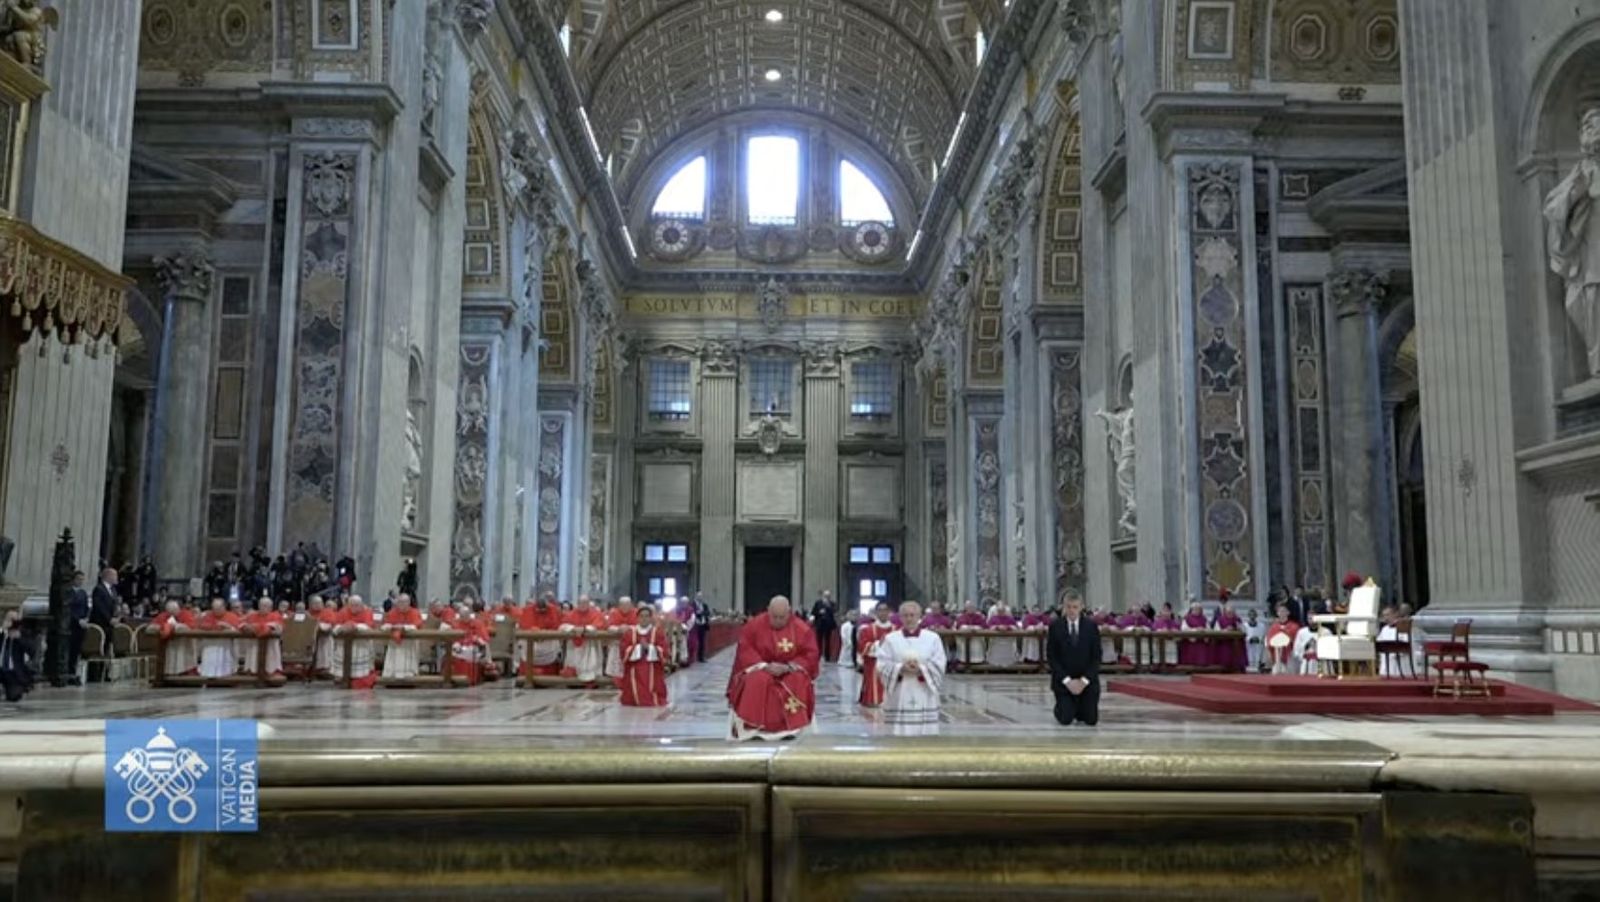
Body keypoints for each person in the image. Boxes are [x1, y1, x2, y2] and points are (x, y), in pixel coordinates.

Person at [726, 596, 820, 741]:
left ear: (789, 613)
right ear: (768, 610)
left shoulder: (802, 629)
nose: (777, 620)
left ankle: (793, 729)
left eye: (782, 617)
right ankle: (754, 729)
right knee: (757, 680)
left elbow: (810, 655)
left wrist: (788, 667)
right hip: (761, 667)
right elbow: (745, 649)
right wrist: (764, 666)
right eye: (774, 616)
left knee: (798, 680)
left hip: (789, 669)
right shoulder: (754, 626)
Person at [876, 601, 947, 736]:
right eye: (905, 615)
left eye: (912, 615)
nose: (909, 619)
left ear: (919, 616)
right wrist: (900, 668)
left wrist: (921, 669)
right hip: (900, 690)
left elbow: (939, 662)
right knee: (898, 732)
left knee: (924, 732)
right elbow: (882, 663)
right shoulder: (891, 639)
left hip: (923, 689)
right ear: (900, 617)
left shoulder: (933, 638)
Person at [1046, 592, 1100, 726]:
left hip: (1086, 682)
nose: (1071, 610)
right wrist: (1067, 681)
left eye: (1075, 607)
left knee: (1090, 719)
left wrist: (1084, 681)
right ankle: (1063, 706)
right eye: (1068, 607)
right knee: (1065, 719)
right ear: (1063, 607)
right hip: (1064, 681)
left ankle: (1080, 707)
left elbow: (1096, 657)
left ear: (1081, 607)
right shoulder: (1055, 627)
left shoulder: (1091, 627)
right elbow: (1052, 657)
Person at [619, 603, 671, 707]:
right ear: (637, 617)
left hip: (652, 666)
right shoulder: (630, 633)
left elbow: (664, 650)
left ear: (651, 618)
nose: (644, 619)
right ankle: (634, 698)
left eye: (647, 616)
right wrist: (638, 648)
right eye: (641, 616)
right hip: (634, 665)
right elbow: (623, 650)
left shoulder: (657, 633)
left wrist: (649, 648)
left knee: (652, 682)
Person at [856, 602, 896, 708]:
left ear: (889, 612)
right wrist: (879, 644)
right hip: (874, 663)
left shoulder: (896, 629)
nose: (883, 613)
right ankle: (874, 699)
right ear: (876, 613)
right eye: (880, 610)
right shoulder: (868, 629)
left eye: (885, 610)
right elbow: (862, 646)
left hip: (892, 663)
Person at [335, 595, 379, 688]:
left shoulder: (367, 612)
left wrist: (355, 626)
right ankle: (344, 678)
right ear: (348, 605)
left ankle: (359, 679)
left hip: (361, 645)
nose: (354, 607)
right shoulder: (343, 612)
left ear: (361, 604)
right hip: (345, 645)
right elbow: (335, 627)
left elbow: (369, 626)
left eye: (357, 605)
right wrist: (342, 628)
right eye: (352, 605)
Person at [560, 595, 606, 682]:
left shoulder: (596, 613)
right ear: (577, 603)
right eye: (581, 603)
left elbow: (599, 625)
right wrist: (573, 628)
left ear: (588, 603)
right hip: (574, 647)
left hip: (590, 645)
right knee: (574, 662)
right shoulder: (571, 614)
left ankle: (591, 682)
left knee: (590, 664)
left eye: (585, 603)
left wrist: (584, 628)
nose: (583, 605)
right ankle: (573, 682)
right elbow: (562, 625)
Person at [517, 593, 565, 677]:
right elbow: (524, 625)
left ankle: (550, 673)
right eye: (539, 609)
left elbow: (556, 625)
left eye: (544, 609)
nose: (542, 612)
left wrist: (545, 634)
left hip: (548, 640)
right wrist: (534, 632)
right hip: (531, 640)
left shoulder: (553, 610)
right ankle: (527, 674)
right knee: (523, 645)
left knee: (555, 645)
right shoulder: (527, 611)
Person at [381, 593, 424, 680]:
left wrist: (403, 627)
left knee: (408, 664)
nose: (402, 604)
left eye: (405, 602)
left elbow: (417, 625)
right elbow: (385, 624)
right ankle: (391, 678)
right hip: (395, 643)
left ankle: (410, 678)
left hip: (409, 643)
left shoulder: (414, 612)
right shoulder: (393, 612)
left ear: (409, 602)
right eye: (400, 602)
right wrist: (391, 627)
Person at [240, 597, 284, 680]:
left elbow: (276, 626)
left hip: (270, 645)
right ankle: (253, 673)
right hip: (254, 643)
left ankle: (271, 673)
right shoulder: (252, 615)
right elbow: (242, 624)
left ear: (271, 607)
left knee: (270, 660)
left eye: (265, 606)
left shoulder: (275, 616)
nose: (262, 607)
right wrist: (247, 628)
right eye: (261, 605)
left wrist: (257, 627)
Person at [152, 600, 197, 677]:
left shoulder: (186, 614)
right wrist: (162, 627)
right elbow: (151, 627)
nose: (172, 613)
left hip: (184, 644)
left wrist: (179, 626)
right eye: (170, 611)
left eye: (174, 611)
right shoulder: (163, 615)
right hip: (168, 644)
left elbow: (192, 627)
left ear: (179, 609)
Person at [197, 598, 239, 679]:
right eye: (214, 608)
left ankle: (226, 678)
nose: (216, 611)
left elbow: (236, 629)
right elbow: (200, 626)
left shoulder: (232, 616)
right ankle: (207, 679)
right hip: (209, 645)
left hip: (225, 645)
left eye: (219, 608)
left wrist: (228, 627)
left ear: (224, 607)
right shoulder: (207, 616)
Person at [603, 596, 637, 683]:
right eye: (623, 605)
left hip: (632, 644)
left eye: (627, 604)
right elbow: (609, 626)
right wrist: (618, 628)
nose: (625, 607)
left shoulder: (635, 613)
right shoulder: (614, 613)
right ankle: (614, 681)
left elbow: (640, 626)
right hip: (616, 643)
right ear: (619, 605)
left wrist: (628, 628)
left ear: (630, 605)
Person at [0, 612, 33, 702]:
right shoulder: (1, 633)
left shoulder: (23, 634)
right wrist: (3, 630)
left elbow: (31, 651)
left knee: (13, 696)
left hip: (14, 673)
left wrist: (18, 638)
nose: (12, 624)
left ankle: (15, 689)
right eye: (10, 620)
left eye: (15, 621)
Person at [1211, 594, 1246, 672]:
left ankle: (1238, 667)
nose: (1230, 613)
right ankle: (1223, 668)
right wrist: (1225, 630)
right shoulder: (1220, 620)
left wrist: (1235, 628)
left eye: (1232, 612)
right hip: (1224, 642)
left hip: (1235, 643)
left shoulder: (1237, 619)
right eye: (1228, 612)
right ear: (1225, 612)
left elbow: (1243, 629)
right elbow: (1216, 630)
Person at [90, 567, 119, 658]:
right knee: (97, 650)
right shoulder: (99, 589)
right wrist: (109, 619)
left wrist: (116, 616)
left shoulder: (113, 590)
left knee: (107, 650)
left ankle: (105, 671)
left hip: (110, 626)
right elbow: (99, 607)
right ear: (108, 576)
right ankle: (95, 671)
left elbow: (114, 605)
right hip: (100, 623)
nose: (116, 578)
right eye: (115, 575)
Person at [66, 570, 89, 683]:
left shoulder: (83, 593)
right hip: (71, 624)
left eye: (82, 579)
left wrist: (85, 618)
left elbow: (86, 608)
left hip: (81, 625)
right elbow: (68, 609)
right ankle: (68, 673)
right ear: (73, 579)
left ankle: (73, 672)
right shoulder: (68, 592)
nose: (80, 581)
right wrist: (78, 620)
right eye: (79, 579)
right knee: (69, 650)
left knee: (76, 651)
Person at [1264, 603, 1300, 674]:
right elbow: (1269, 642)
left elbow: (1297, 642)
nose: (1281, 613)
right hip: (1276, 658)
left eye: (1284, 611)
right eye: (1280, 611)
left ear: (1288, 613)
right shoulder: (1273, 627)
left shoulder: (1294, 626)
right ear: (1277, 613)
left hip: (1290, 658)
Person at [952, 599, 987, 667]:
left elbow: (984, 627)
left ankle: (978, 661)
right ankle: (964, 661)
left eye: (972, 607)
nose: (970, 609)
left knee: (976, 646)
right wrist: (966, 628)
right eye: (969, 607)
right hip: (964, 639)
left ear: (975, 608)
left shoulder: (980, 617)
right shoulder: (961, 617)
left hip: (977, 639)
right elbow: (957, 627)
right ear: (965, 608)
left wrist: (975, 628)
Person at [986, 603, 1022, 668]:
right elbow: (988, 627)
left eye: (1002, 610)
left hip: (1008, 640)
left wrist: (1008, 627)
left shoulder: (1010, 618)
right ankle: (995, 664)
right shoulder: (993, 618)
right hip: (996, 640)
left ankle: (1009, 664)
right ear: (997, 611)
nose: (1001, 612)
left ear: (1005, 611)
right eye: (999, 611)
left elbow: (1016, 627)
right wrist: (997, 627)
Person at [810, 590, 838, 663]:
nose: (827, 597)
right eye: (825, 596)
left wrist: (828, 607)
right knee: (819, 640)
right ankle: (818, 655)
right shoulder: (818, 603)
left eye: (828, 596)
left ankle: (827, 656)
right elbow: (813, 612)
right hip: (820, 624)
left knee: (828, 640)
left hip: (828, 625)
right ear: (823, 596)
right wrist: (819, 612)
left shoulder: (832, 603)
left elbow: (835, 611)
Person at [1243, 607, 1267, 672]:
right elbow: (1243, 636)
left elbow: (1263, 636)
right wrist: (1249, 639)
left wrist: (1258, 638)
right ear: (1248, 616)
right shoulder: (1245, 626)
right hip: (1249, 646)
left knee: (1258, 657)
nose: (1252, 616)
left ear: (1256, 616)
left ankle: (1258, 667)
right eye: (1251, 615)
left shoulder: (1261, 626)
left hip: (1258, 646)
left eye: (1254, 614)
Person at [692, 592, 713, 662]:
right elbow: (693, 613)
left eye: (701, 596)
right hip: (695, 624)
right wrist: (699, 613)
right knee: (695, 641)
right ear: (696, 596)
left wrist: (701, 613)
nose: (700, 598)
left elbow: (707, 612)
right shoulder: (693, 604)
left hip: (703, 624)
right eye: (699, 596)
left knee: (702, 642)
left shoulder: (704, 605)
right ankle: (694, 656)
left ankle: (701, 657)